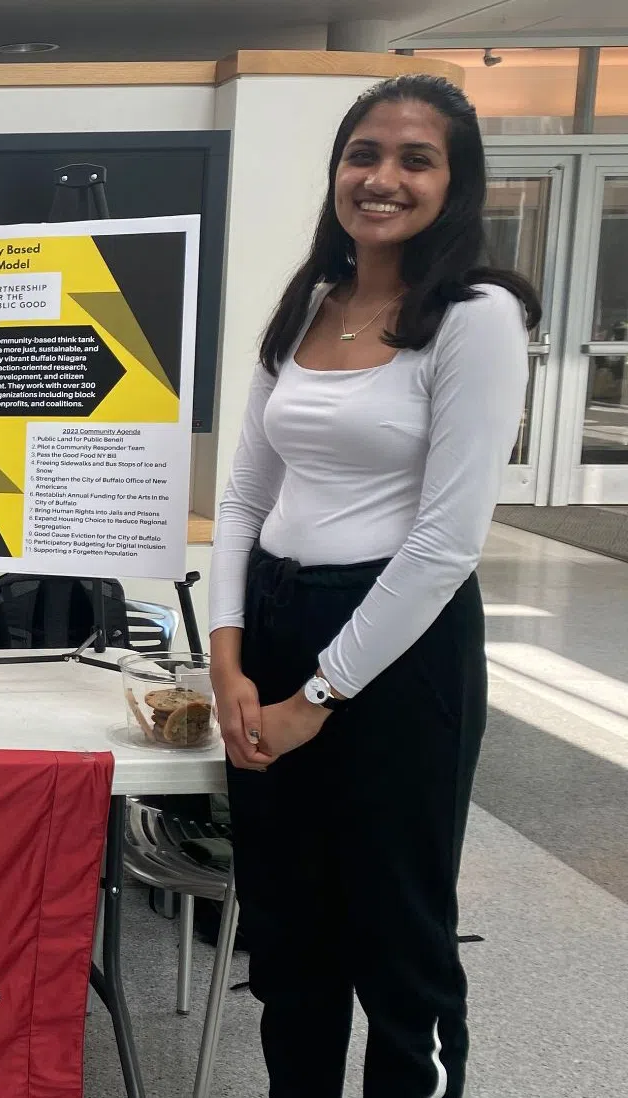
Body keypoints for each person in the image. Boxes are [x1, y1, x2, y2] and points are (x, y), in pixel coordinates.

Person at [208, 75, 539, 1098]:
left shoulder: (473, 317)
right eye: (363, 154)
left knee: (398, 939)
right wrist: (224, 661)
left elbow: (444, 543)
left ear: (454, 181)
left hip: (397, 650)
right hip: (272, 623)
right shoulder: (310, 303)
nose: (381, 178)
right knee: (290, 936)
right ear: (335, 172)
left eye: (413, 158)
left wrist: (314, 699)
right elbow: (240, 502)